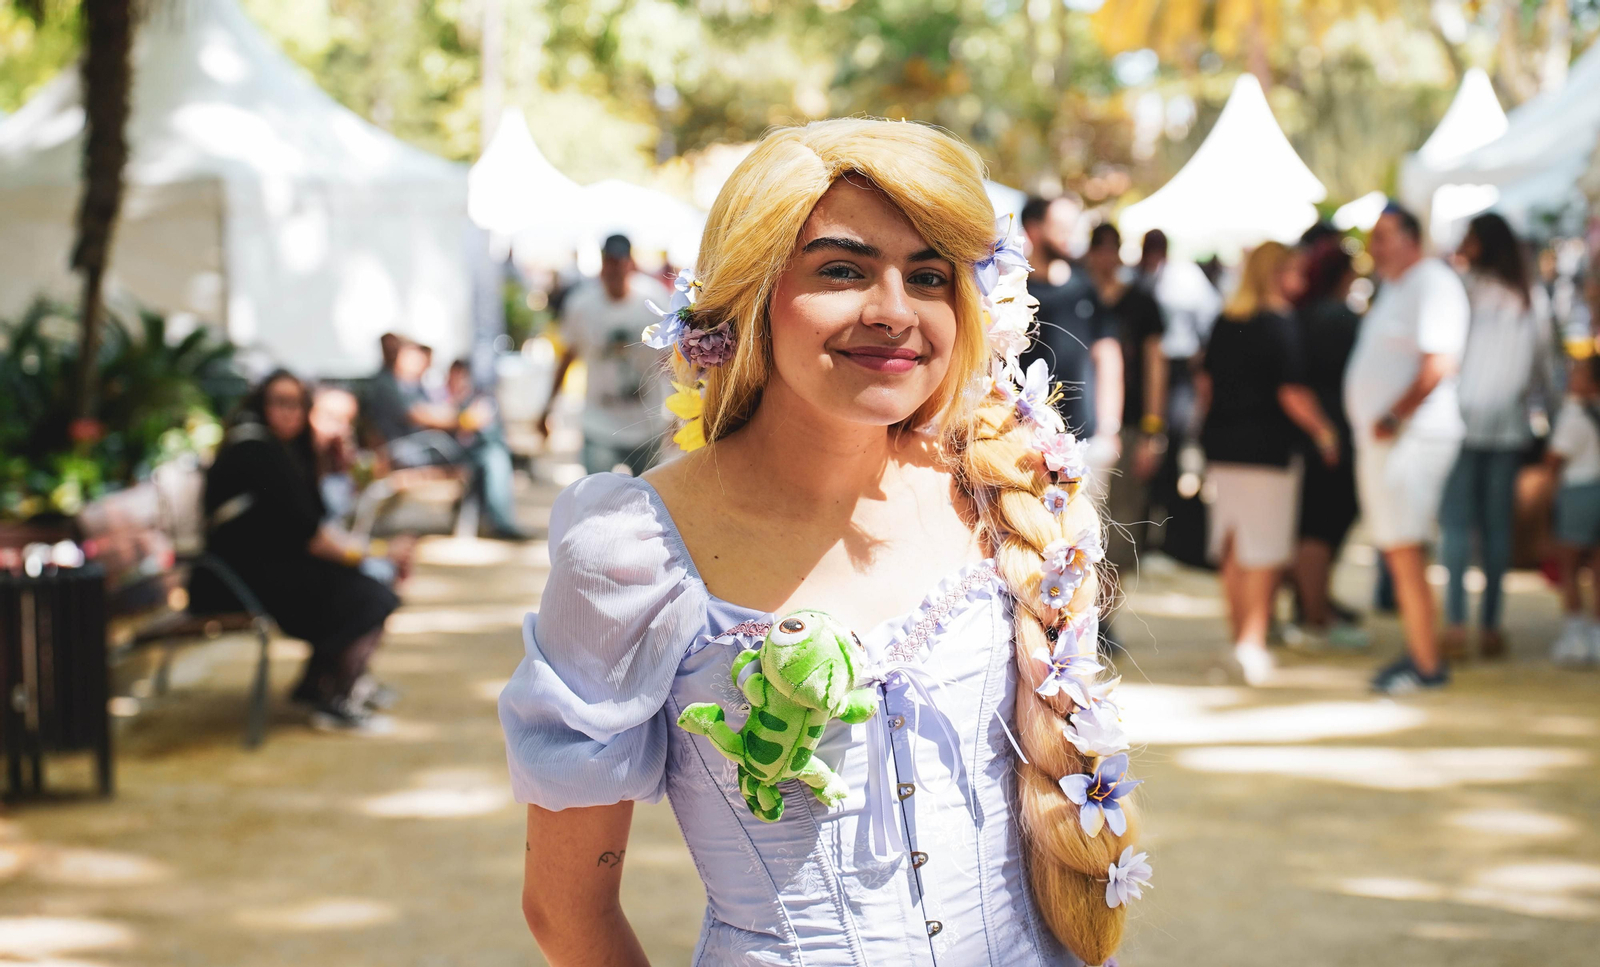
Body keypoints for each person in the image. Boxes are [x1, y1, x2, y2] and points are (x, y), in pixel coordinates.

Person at [501, 120, 1147, 967]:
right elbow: (565, 909)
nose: (894, 312)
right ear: (751, 293)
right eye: (842, 269)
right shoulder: (632, 552)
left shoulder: (1001, 489)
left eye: (929, 276)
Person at [188, 371, 401, 733]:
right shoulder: (256, 448)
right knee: (373, 596)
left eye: (297, 404)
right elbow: (312, 534)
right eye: (279, 402)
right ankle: (337, 699)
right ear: (262, 404)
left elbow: (313, 520)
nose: (289, 412)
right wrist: (378, 553)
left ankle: (318, 685)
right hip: (234, 579)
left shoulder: (283, 448)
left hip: (259, 569)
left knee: (362, 585)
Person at [1195, 242, 1341, 685]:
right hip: (1268, 450)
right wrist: (1325, 433)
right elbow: (1292, 392)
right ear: (1277, 273)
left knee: (1233, 545)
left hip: (1224, 446)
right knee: (1264, 550)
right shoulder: (1281, 323)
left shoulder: (1226, 320)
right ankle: (1251, 643)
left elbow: (1205, 385)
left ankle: (1242, 636)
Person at [1346, 203, 1471, 694]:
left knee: (1404, 547)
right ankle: (1421, 651)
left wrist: (1394, 416)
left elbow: (1440, 362)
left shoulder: (1432, 282)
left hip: (1411, 437)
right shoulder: (1400, 286)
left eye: (1383, 236)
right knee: (1398, 547)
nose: (1374, 247)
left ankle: (1426, 662)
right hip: (1393, 437)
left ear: (1410, 239)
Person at [1439, 213, 1558, 661]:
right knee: (1494, 529)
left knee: (1457, 526)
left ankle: (1456, 623)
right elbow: (1545, 371)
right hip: (1506, 426)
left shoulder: (1465, 291)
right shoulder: (1528, 298)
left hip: (1461, 423)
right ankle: (1489, 625)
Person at [1284, 228, 1366, 647]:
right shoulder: (1338, 318)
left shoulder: (1304, 313)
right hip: (1330, 433)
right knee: (1321, 526)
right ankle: (1315, 613)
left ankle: (1314, 605)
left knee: (1316, 524)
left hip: (1314, 432)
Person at [540, 234, 672, 476]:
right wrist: (548, 407)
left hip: (646, 426)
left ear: (630, 264)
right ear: (602, 264)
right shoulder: (582, 304)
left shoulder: (653, 299)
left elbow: (670, 358)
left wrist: (680, 411)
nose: (615, 270)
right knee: (598, 496)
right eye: (610, 262)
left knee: (649, 495)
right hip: (599, 426)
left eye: (620, 262)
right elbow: (567, 357)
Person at [1085, 222, 1167, 563]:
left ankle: (1111, 595)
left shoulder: (1141, 303)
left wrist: (1152, 429)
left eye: (1111, 249)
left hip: (1130, 423)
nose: (1106, 257)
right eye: (1100, 249)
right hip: (1077, 422)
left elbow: (1155, 368)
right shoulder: (1077, 297)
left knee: (1122, 519)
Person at [1546, 353, 1600, 665]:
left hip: (1578, 492)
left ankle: (1575, 634)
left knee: (1568, 567)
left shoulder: (1574, 416)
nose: (1571, 377)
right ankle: (1595, 633)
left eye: (1579, 373)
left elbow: (1555, 459)